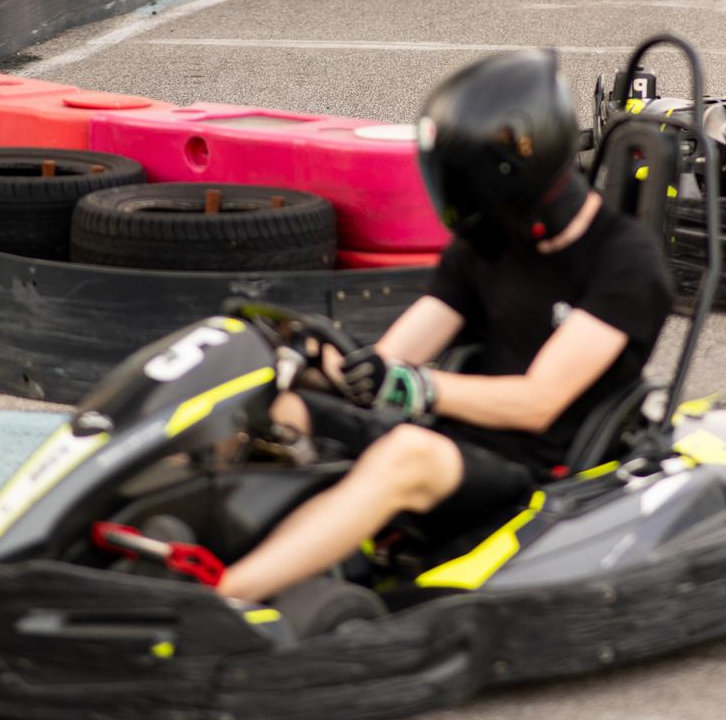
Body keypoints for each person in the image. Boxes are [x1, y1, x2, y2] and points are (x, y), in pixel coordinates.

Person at [215, 49, 674, 605]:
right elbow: (396, 354)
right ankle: (167, 550)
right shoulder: (487, 246)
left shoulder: (623, 261)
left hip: (535, 472)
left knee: (407, 454)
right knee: (275, 407)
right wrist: (310, 360)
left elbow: (538, 403)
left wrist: (413, 387)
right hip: (449, 441)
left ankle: (225, 598)